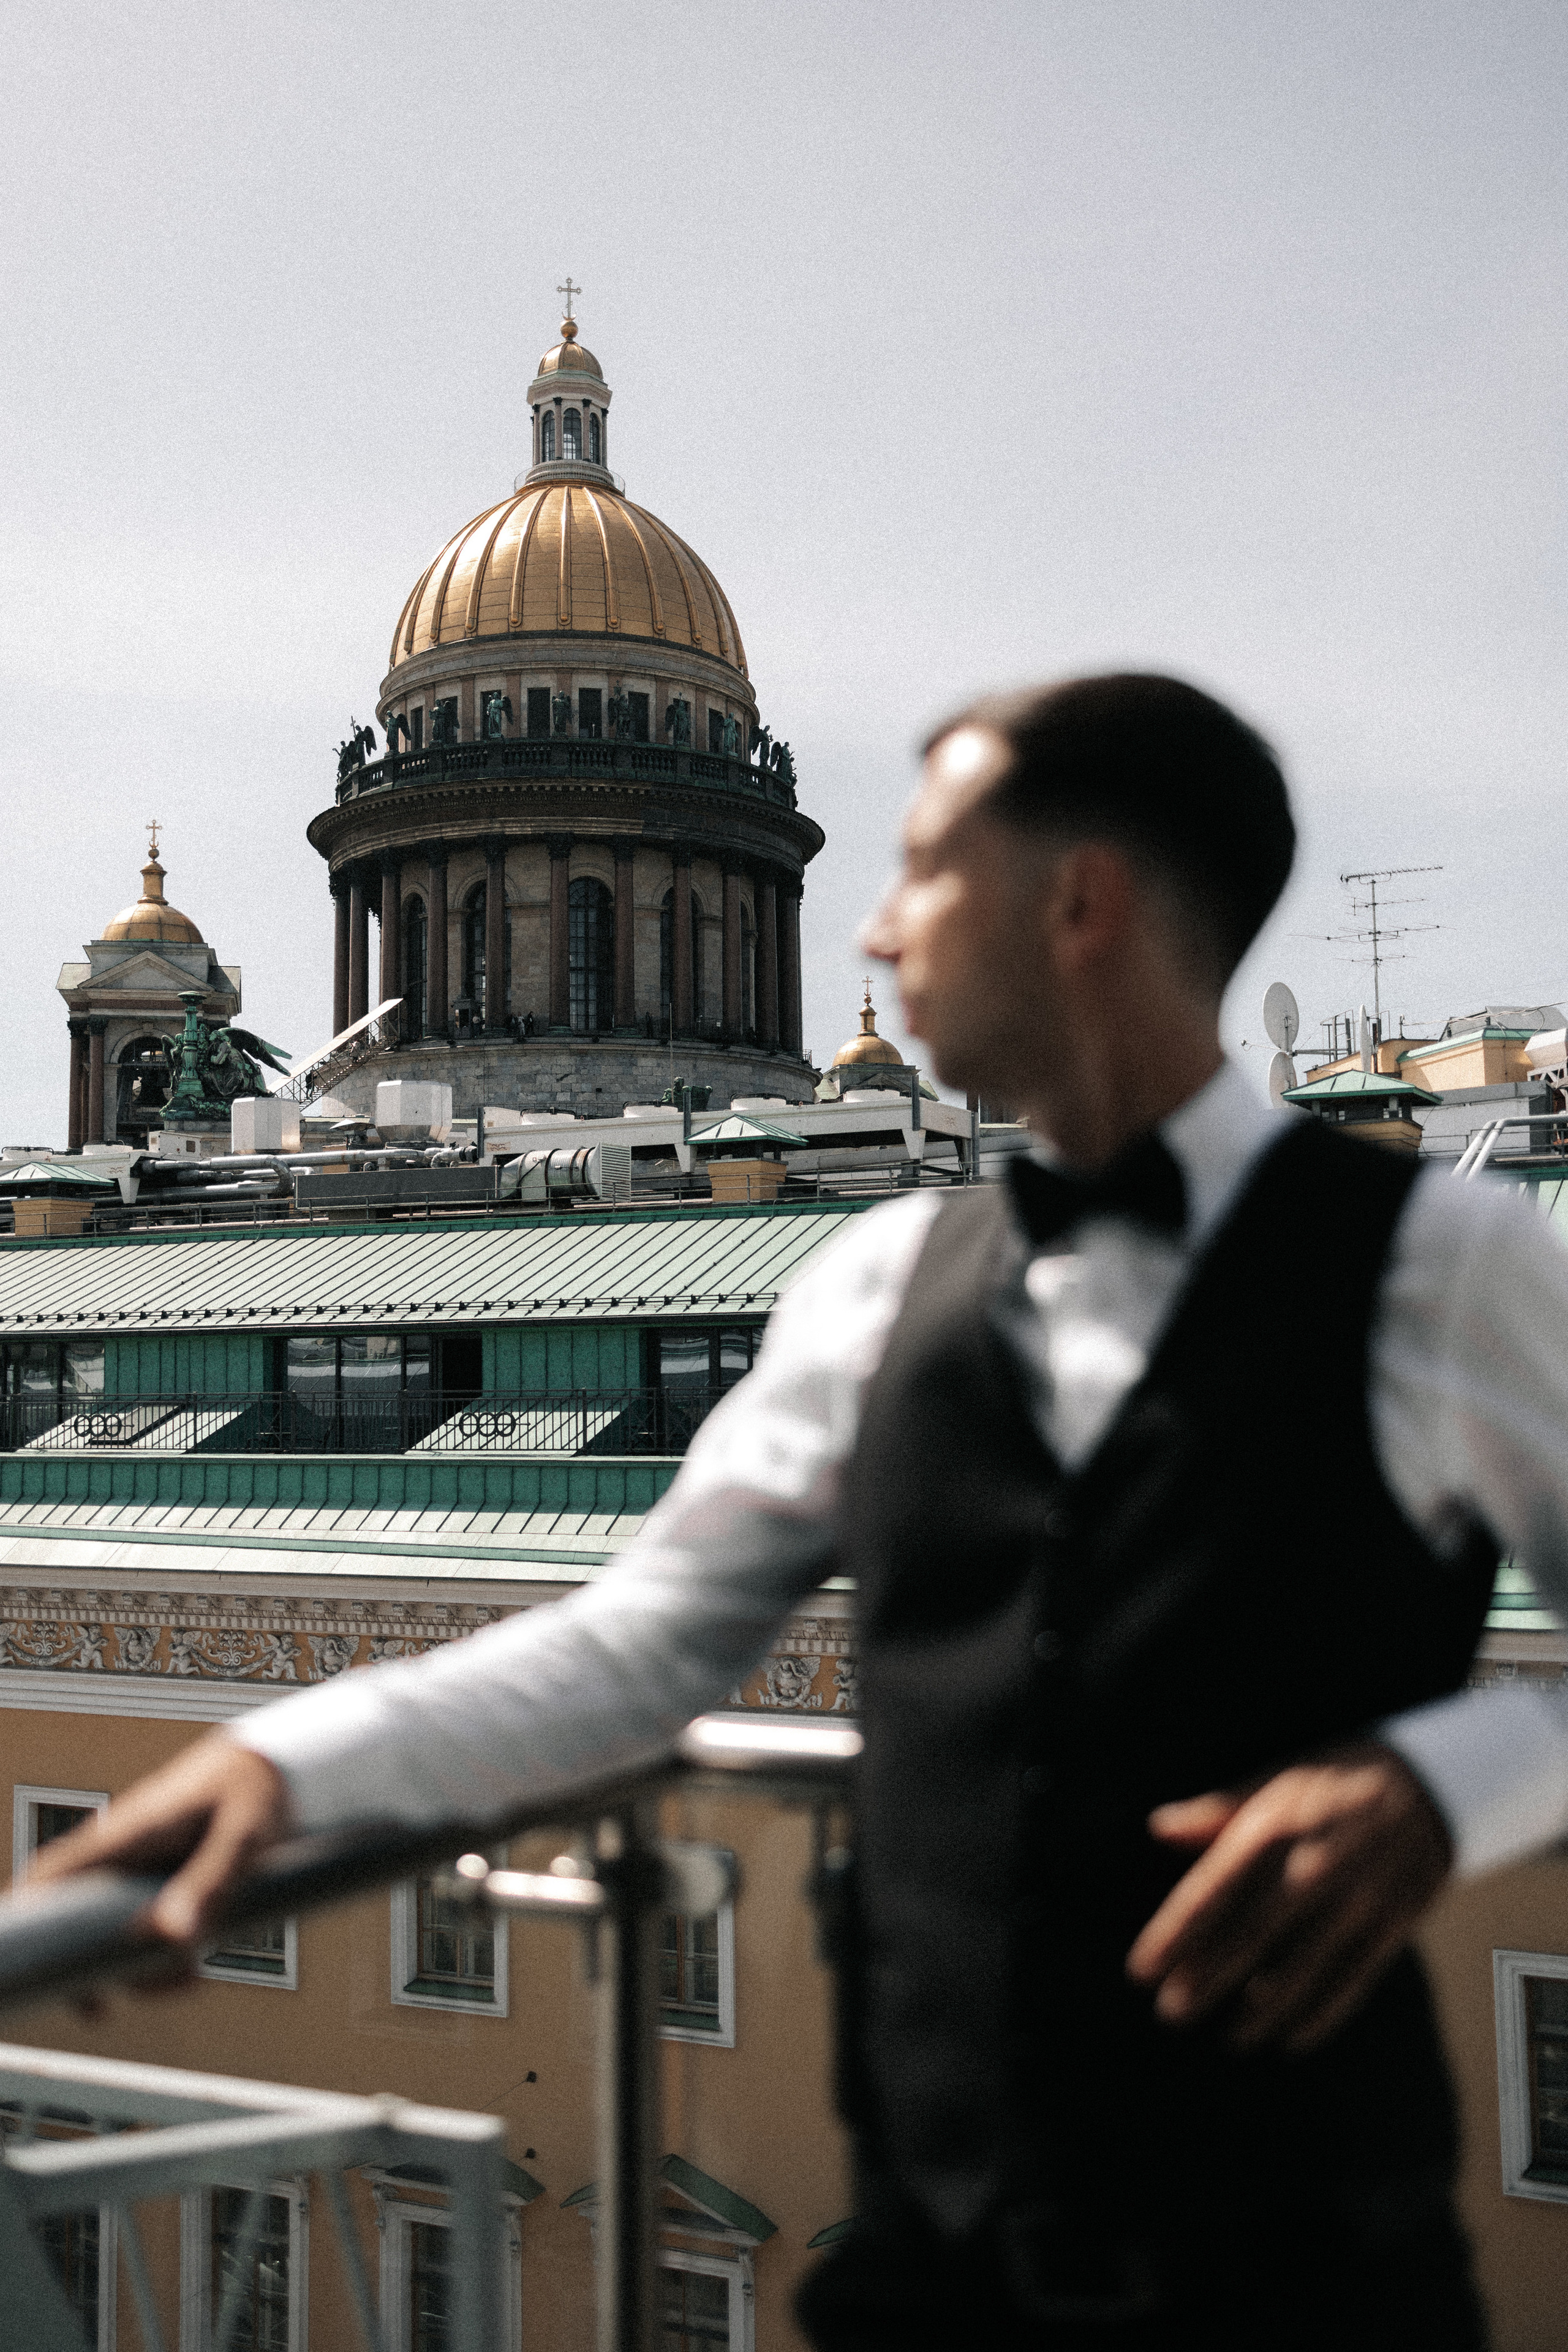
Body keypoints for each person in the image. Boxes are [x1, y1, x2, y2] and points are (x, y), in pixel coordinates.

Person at [35, 674, 1568, 2348]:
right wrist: (279, 1768)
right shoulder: (874, 1282)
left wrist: (1442, 1783)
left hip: (1312, 2273)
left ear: (1081, 903)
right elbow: (645, 1645)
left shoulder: (1450, 1259)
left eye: (924, 873)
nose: (875, 937)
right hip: (926, 2256)